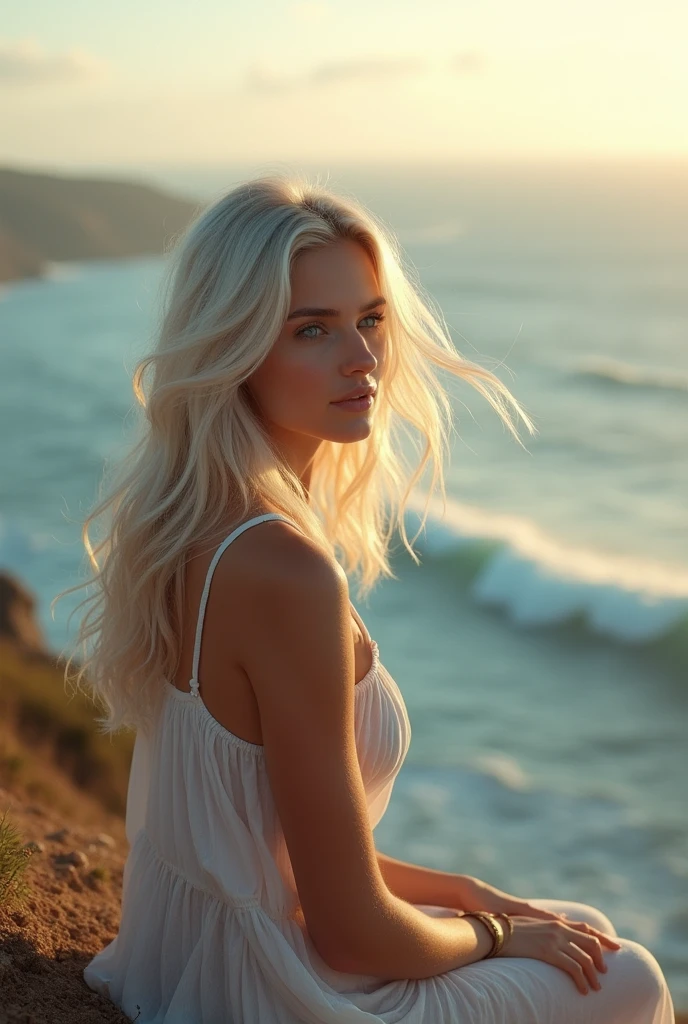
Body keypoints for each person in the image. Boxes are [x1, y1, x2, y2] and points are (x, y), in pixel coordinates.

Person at [58, 173, 674, 1022]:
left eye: (371, 320)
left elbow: (262, 849)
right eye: (312, 329)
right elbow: (349, 933)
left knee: (582, 930)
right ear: (232, 349)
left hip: (196, 957)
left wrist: (470, 893)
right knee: (630, 975)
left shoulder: (194, 522)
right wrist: (493, 933)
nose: (363, 360)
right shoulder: (283, 572)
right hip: (263, 992)